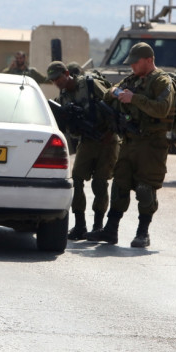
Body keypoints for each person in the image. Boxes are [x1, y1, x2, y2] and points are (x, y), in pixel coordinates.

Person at [86, 43, 174, 248]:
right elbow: (110, 91)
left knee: (145, 188)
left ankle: (143, 233)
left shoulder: (162, 81)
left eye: (136, 62)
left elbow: (162, 109)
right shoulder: (132, 80)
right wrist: (117, 93)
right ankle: (110, 230)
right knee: (120, 185)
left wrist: (134, 98)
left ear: (149, 60)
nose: (132, 66)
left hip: (151, 144)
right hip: (129, 142)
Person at [47, 61, 119, 240]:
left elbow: (114, 105)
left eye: (58, 77)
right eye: (53, 80)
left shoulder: (88, 84)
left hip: (107, 139)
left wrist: (111, 131)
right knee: (77, 178)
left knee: (100, 183)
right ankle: (80, 225)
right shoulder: (63, 96)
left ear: (66, 73)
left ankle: (98, 226)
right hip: (87, 140)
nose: (56, 82)